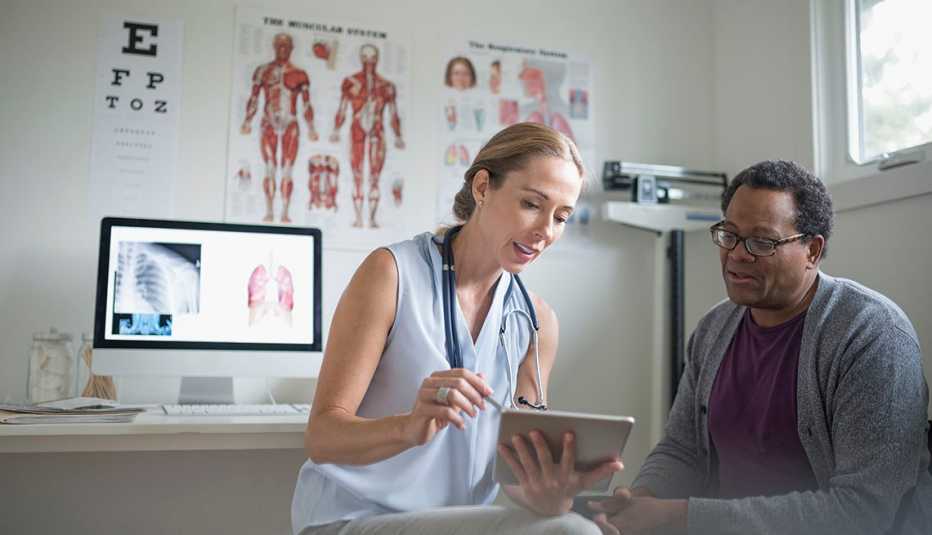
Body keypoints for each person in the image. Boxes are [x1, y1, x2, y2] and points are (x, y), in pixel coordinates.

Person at [291, 122, 622, 535]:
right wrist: (408, 426)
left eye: (561, 216)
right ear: (483, 187)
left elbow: (515, 476)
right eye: (532, 204)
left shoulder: (535, 323)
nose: (546, 232)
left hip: (453, 522)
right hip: (351, 517)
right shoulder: (392, 275)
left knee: (573, 527)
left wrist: (551, 495)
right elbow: (322, 437)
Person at [587, 160, 932, 534]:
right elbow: (681, 449)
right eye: (729, 235)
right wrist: (641, 500)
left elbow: (863, 511)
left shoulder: (870, 334)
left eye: (762, 242)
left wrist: (681, 517)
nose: (737, 254)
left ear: (812, 251)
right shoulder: (714, 329)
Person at [240, 33, 319, 223]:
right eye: (279, 45)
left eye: (286, 46)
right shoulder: (262, 71)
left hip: (290, 123)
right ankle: (269, 211)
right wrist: (247, 121)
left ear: (292, 48)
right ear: (274, 47)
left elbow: (306, 104)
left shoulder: (300, 74)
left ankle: (284, 213)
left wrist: (311, 127)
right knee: (269, 168)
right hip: (268, 122)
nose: (283, 49)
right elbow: (254, 98)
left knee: (287, 170)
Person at [329, 44, 405, 229]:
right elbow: (342, 108)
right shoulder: (350, 82)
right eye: (365, 57)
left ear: (377, 59)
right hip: (357, 130)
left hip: (377, 132)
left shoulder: (386, 87)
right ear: (361, 58)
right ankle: (358, 218)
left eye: (372, 57)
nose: (369, 62)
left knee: (374, 178)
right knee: (357, 175)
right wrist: (336, 130)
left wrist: (397, 135)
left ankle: (371, 219)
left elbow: (393, 114)